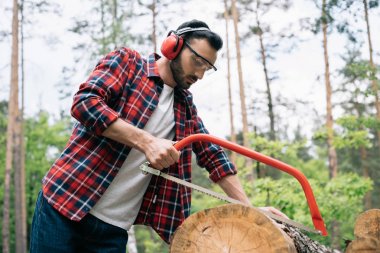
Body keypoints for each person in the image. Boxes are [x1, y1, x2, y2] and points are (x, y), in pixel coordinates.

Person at [30, 19, 286, 253]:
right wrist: (146, 141)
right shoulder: (129, 64)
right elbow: (85, 103)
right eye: (197, 61)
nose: (199, 74)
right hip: (64, 205)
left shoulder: (184, 107)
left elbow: (213, 156)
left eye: (207, 68)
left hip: (113, 230)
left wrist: (251, 211)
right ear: (173, 46)